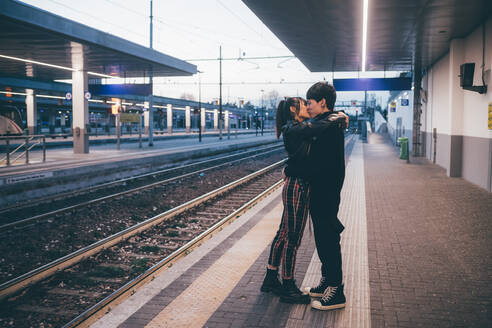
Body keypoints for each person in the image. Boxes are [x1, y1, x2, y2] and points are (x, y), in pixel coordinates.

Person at [260, 97, 346, 304]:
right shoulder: (296, 128)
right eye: (303, 103)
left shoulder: (296, 127)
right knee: (292, 238)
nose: (307, 106)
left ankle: (271, 278)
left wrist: (338, 114)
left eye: (310, 102)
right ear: (293, 109)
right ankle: (288, 285)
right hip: (297, 186)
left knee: (283, 232)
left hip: (297, 185)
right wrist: (339, 116)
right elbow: (320, 125)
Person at [304, 82, 347, 311]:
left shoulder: (327, 125)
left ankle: (336, 290)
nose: (307, 107)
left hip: (326, 191)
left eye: (309, 103)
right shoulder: (329, 122)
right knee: (323, 238)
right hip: (324, 190)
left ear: (322, 102)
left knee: (328, 239)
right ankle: (327, 280)